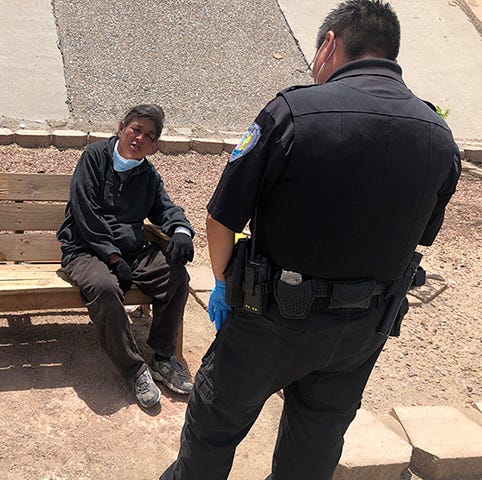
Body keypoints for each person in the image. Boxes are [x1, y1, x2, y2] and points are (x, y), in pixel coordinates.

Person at [160, 1, 461, 478]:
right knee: (312, 454)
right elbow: (423, 236)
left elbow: (221, 219)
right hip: (360, 333)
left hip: (269, 324)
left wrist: (223, 282)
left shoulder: (294, 113)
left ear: (329, 45)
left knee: (212, 432)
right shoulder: (439, 137)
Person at [57, 104, 195, 409]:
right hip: (86, 249)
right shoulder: (94, 157)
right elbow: (85, 213)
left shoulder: (147, 174)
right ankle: (134, 369)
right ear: (121, 128)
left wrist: (182, 231)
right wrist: (112, 258)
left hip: (131, 252)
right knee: (105, 289)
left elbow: (165, 208)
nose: (139, 138)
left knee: (175, 276)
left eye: (149, 136)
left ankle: (162, 357)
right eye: (135, 129)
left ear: (155, 145)